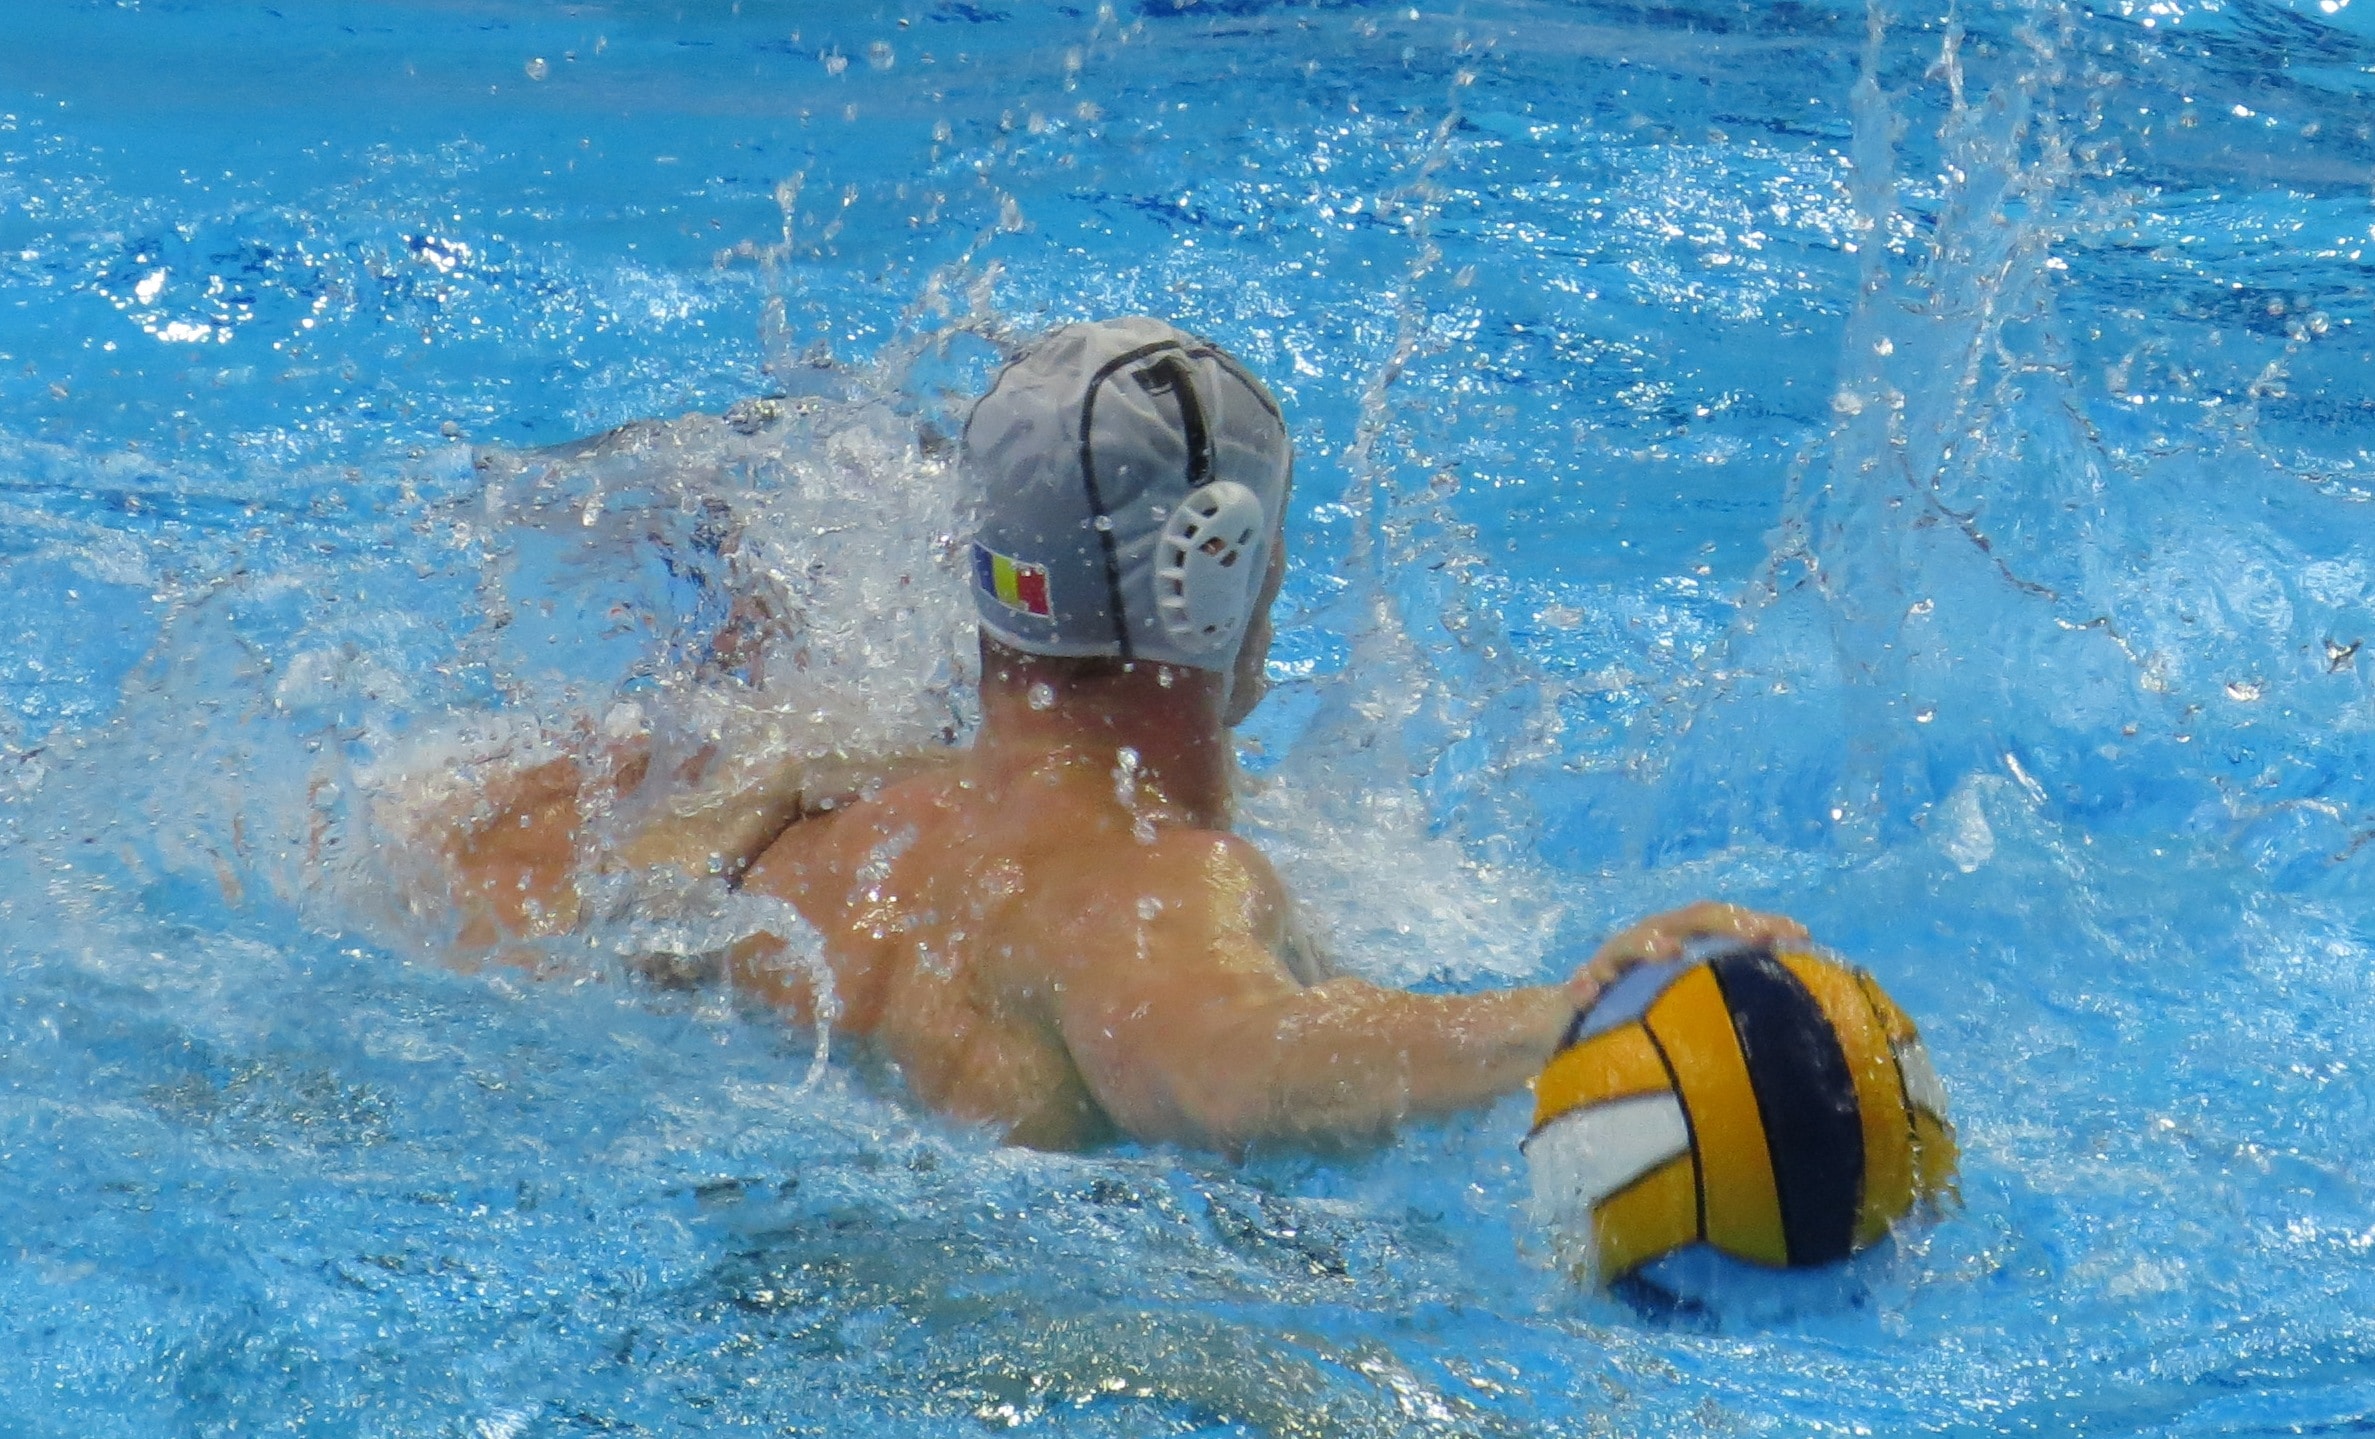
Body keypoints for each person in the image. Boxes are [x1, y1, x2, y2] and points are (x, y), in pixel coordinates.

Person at [436, 317, 1808, 1152]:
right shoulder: (1147, 874)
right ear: (1220, 566)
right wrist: (1562, 1022)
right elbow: (1223, 1066)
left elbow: (459, 862)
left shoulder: (833, 810)